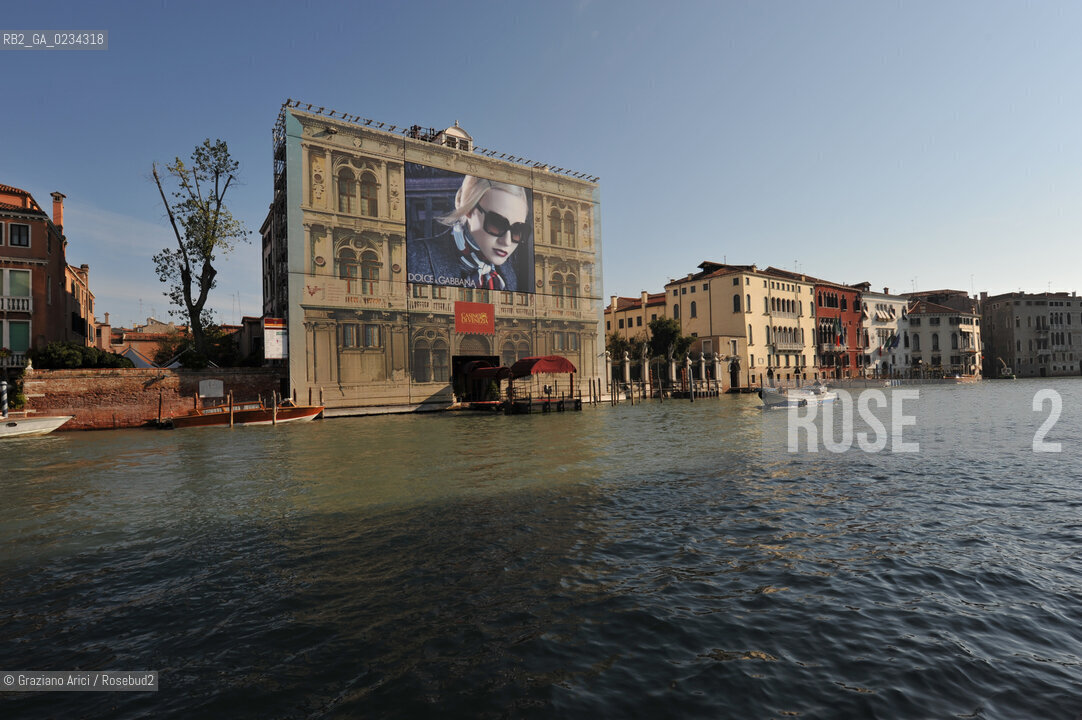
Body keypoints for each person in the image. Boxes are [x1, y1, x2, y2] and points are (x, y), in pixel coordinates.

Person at [407, 175, 531, 291]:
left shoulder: (508, 274)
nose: (507, 241)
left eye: (518, 231)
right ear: (469, 209)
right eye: (497, 223)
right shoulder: (413, 258)